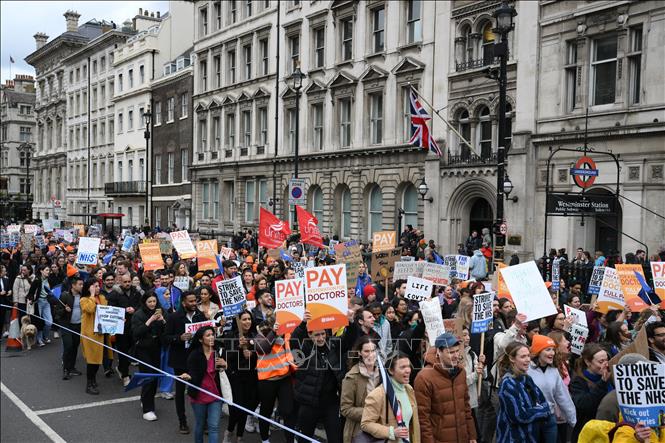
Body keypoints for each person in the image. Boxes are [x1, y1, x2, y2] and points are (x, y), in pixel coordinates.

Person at [291, 310, 344, 443]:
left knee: (336, 438)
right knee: (305, 438)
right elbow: (294, 342)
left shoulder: (333, 345)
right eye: (316, 335)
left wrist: (351, 322)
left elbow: (350, 339)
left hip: (331, 403)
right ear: (310, 336)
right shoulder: (305, 350)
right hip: (309, 403)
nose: (320, 338)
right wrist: (303, 324)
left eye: (323, 334)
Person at [414, 332, 477, 443]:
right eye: (450, 352)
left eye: (457, 351)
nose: (456, 355)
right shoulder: (424, 378)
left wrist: (472, 435)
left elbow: (466, 407)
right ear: (439, 352)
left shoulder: (461, 372)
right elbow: (423, 418)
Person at [162, 291, 207, 434]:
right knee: (180, 392)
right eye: (191, 301)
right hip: (180, 360)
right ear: (183, 303)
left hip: (197, 359)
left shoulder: (200, 316)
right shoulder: (174, 318)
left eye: (195, 301)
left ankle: (203, 422)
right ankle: (182, 421)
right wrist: (179, 338)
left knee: (200, 390)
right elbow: (165, 338)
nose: (194, 304)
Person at [496, 341, 553, 443]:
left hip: (531, 437)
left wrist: (535, 410)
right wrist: (541, 411)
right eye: (523, 357)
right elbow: (519, 416)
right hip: (513, 438)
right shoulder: (508, 384)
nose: (527, 360)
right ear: (512, 359)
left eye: (528, 356)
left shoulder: (527, 378)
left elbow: (544, 403)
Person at [254, 316, 298, 443]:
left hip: (284, 378)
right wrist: (274, 332)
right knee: (266, 411)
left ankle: (290, 439)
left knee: (288, 411)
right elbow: (263, 349)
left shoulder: (287, 333)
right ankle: (265, 439)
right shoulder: (259, 334)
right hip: (267, 381)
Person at [361, 352, 420, 443]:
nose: (408, 370)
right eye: (402, 367)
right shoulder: (377, 395)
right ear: (391, 371)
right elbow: (366, 424)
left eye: (408, 366)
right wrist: (391, 432)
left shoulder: (409, 390)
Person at [181, 326, 227, 443]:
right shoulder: (194, 355)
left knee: (214, 427)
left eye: (212, 334)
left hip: (215, 395)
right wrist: (189, 376)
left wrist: (226, 365)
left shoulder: (219, 352)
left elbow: (228, 372)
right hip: (199, 395)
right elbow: (193, 374)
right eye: (208, 335)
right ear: (201, 340)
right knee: (200, 425)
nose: (212, 337)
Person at [527, 335, 576, 443]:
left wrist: (573, 420)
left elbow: (563, 397)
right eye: (548, 350)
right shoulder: (527, 370)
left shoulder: (554, 371)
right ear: (538, 352)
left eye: (553, 350)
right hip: (532, 420)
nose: (552, 353)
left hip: (549, 418)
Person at [222, 310, 259, 442]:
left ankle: (239, 436)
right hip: (235, 376)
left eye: (249, 319)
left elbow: (261, 354)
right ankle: (229, 431)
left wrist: (252, 354)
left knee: (245, 407)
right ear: (238, 321)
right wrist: (238, 347)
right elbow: (226, 357)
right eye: (244, 319)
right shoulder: (231, 335)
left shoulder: (255, 336)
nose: (247, 322)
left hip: (250, 377)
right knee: (236, 407)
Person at [131, 291, 166, 421]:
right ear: (144, 302)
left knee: (155, 376)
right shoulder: (138, 315)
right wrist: (149, 321)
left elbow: (167, 330)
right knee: (148, 376)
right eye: (149, 302)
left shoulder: (161, 311)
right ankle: (148, 409)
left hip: (156, 348)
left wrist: (163, 321)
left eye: (154, 301)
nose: (152, 304)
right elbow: (136, 333)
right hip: (143, 349)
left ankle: (145, 399)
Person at [340, 337, 380, 443]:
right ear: (359, 353)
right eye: (366, 351)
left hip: (381, 429)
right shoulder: (351, 377)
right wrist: (370, 412)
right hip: (359, 432)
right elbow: (345, 409)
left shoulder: (383, 374)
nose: (371, 354)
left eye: (373, 350)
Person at [569, 343, 611, 442]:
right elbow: (584, 405)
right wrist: (602, 383)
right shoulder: (578, 381)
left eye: (606, 360)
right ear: (588, 362)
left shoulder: (610, 376)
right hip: (590, 433)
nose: (605, 364)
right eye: (601, 361)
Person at [108, 273, 142, 386]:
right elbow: (111, 309)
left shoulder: (137, 292)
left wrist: (135, 309)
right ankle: (125, 375)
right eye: (125, 282)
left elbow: (142, 305)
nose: (127, 284)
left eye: (129, 281)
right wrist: (123, 310)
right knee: (122, 352)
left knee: (133, 351)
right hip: (121, 328)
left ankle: (121, 368)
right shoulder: (114, 294)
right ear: (120, 282)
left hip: (135, 326)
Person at [80, 277, 108, 395]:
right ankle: (89, 384)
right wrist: (91, 295)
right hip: (89, 334)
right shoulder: (84, 299)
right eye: (95, 286)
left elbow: (107, 312)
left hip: (101, 333)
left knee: (97, 360)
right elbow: (90, 309)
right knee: (92, 361)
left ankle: (93, 379)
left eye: (98, 286)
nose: (98, 288)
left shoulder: (102, 298)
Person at [53, 276, 84, 380]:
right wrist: (64, 310)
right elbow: (57, 313)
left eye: (82, 284)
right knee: (68, 346)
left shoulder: (82, 296)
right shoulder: (64, 295)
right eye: (79, 284)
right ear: (73, 285)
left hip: (78, 325)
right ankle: (66, 369)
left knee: (75, 346)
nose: (81, 286)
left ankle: (72, 367)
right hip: (66, 325)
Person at [27, 264, 53, 346]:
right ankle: (39, 340)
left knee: (49, 322)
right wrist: (31, 299)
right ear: (41, 271)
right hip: (38, 302)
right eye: (47, 270)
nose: (48, 272)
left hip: (47, 302)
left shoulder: (49, 280)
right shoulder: (37, 280)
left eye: (49, 270)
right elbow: (31, 292)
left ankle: (45, 336)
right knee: (39, 321)